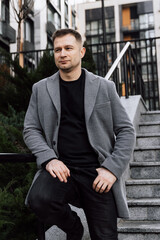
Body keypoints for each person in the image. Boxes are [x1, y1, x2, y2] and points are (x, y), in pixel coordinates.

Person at [23, 28, 135, 240]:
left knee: (105, 236)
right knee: (38, 199)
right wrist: (48, 159)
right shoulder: (41, 88)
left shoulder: (105, 87)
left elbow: (126, 130)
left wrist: (111, 169)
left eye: (68, 48)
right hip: (61, 169)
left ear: (81, 52)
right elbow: (30, 129)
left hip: (97, 173)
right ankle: (73, 227)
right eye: (57, 49)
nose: (62, 54)